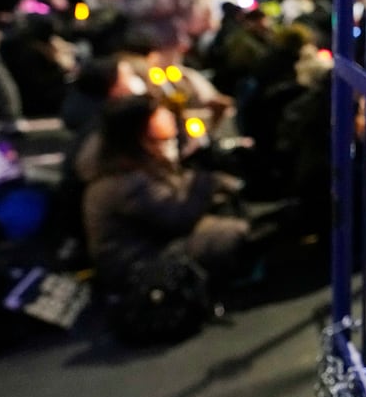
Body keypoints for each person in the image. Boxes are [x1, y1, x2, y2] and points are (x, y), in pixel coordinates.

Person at [77, 95, 248, 293]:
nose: (172, 140)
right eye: (163, 139)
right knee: (230, 233)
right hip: (137, 265)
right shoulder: (125, 181)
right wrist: (207, 182)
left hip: (152, 243)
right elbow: (178, 218)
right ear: (141, 137)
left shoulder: (131, 163)